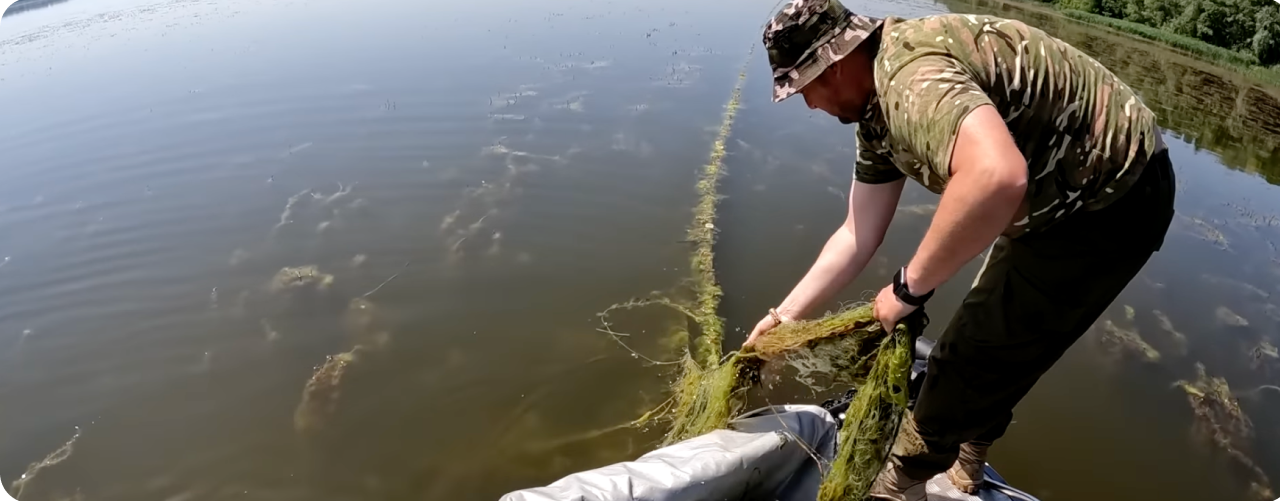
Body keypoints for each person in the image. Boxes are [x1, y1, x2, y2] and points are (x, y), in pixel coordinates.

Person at [747, 1, 1176, 499]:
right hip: (1050, 188)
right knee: (993, 332)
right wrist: (784, 317)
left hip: (1112, 192)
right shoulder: (875, 110)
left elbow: (996, 176)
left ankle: (899, 482)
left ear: (835, 65)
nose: (808, 105)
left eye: (805, 88)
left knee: (975, 350)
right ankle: (969, 454)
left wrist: (907, 288)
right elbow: (857, 231)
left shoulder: (910, 80)